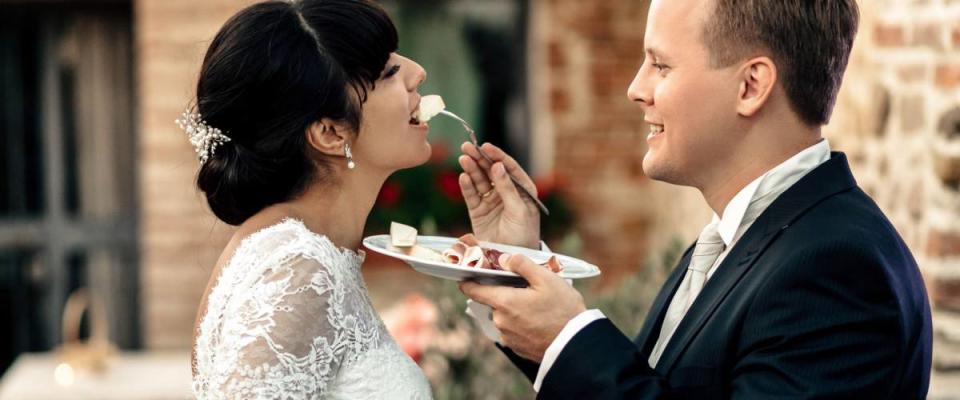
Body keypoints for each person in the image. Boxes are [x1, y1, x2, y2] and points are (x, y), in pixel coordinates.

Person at [457, 0, 932, 398]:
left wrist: (569, 338)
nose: (636, 89)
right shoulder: (741, 238)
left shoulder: (836, 268)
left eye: (660, 64)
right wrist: (515, 267)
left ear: (751, 86)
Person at [184, 1, 434, 398]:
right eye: (387, 72)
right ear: (331, 133)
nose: (417, 72)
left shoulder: (302, 250)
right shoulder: (297, 270)